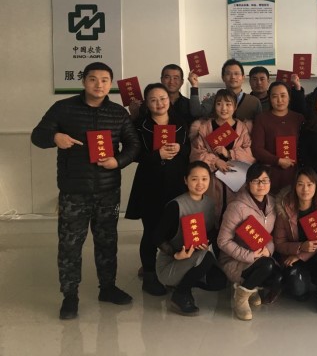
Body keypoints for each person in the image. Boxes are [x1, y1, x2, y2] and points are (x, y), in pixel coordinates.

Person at [31, 62, 141, 320]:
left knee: (107, 241)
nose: (98, 84)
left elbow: (134, 145)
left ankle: (108, 288)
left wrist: (118, 161)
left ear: (110, 84)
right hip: (74, 190)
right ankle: (70, 296)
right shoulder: (63, 108)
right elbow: (37, 136)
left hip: (108, 191)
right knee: (70, 245)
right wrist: (54, 138)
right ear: (83, 81)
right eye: (93, 79)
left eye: (104, 80)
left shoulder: (117, 113)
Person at [125, 83, 189, 296]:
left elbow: (190, 150)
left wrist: (181, 148)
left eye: (163, 98)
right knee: (151, 231)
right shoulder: (139, 125)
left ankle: (173, 272)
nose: (159, 103)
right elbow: (132, 154)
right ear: (147, 103)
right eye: (153, 100)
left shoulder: (180, 122)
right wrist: (156, 155)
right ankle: (150, 276)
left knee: (174, 230)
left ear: (169, 100)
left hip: (176, 183)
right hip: (149, 183)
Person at [154, 161, 222, 316]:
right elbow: (157, 237)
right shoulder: (176, 205)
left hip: (195, 257)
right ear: (185, 180)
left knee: (218, 282)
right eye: (194, 179)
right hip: (172, 262)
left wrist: (206, 241)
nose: (200, 184)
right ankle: (180, 294)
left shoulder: (210, 203)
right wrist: (176, 254)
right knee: (207, 258)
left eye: (204, 179)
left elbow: (211, 230)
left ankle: (183, 283)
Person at [217, 164, 283, 321]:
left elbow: (271, 236)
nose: (261, 185)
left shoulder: (273, 204)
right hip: (235, 259)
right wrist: (250, 255)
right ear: (248, 183)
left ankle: (251, 287)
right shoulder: (237, 207)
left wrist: (268, 250)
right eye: (256, 181)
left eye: (265, 180)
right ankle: (240, 297)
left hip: (262, 256)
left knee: (278, 277)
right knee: (267, 265)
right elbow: (223, 241)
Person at [274, 168, 317, 314]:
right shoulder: (285, 207)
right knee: (298, 290)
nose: (305, 189)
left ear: (316, 186)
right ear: (294, 186)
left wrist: (301, 254)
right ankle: (304, 284)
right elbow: (279, 243)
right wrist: (300, 246)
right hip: (294, 258)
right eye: (300, 184)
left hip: (316, 255)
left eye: (310, 184)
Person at [190, 89, 255, 220]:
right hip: (212, 179)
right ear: (214, 106)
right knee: (210, 214)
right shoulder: (205, 127)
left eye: (228, 104)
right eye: (219, 104)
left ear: (235, 107)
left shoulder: (242, 128)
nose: (224, 108)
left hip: (236, 180)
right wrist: (215, 161)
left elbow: (249, 154)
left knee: (235, 216)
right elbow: (196, 153)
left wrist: (230, 153)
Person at [251, 81, 305, 193]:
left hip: (295, 174)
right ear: (269, 98)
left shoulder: (299, 118)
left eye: (283, 95)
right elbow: (257, 149)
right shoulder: (262, 119)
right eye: (275, 96)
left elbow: (305, 146)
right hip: (270, 173)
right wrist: (278, 161)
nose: (279, 100)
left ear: (289, 97)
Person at [188, 58, 262, 126]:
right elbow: (196, 112)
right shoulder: (215, 99)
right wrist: (194, 86)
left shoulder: (254, 102)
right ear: (223, 78)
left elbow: (259, 126)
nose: (233, 77)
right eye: (228, 74)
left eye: (236, 73)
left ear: (243, 78)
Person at [129, 64, 194, 125]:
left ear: (182, 82)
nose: (171, 82)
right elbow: (136, 127)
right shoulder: (145, 104)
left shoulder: (190, 104)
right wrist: (134, 114)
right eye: (167, 77)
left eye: (175, 78)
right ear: (161, 80)